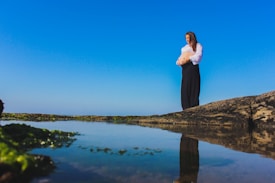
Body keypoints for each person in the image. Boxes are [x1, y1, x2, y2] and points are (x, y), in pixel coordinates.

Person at [176, 31, 203, 110]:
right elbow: (179, 59)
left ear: (192, 37)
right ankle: (185, 108)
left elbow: (199, 56)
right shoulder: (184, 48)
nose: (187, 39)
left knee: (193, 87)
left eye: (188, 38)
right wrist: (179, 62)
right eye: (186, 38)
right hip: (185, 69)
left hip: (193, 67)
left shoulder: (198, 45)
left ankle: (193, 108)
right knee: (185, 88)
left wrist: (188, 58)